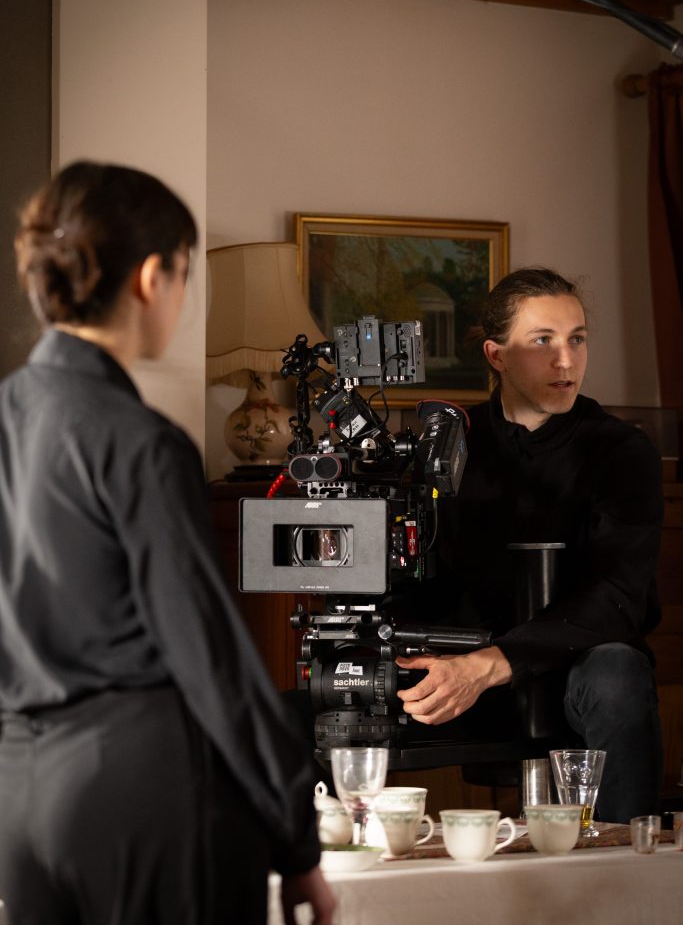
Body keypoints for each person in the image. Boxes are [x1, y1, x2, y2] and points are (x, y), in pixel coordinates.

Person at [0, 161, 335, 925]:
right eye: (187, 275)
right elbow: (210, 656)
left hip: (19, 796)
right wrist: (297, 839)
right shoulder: (140, 441)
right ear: (153, 276)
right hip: (139, 790)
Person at [396, 267, 664, 823]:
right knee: (297, 710)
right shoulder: (444, 448)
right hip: (461, 670)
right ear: (496, 356)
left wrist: (489, 665)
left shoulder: (622, 450)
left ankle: (624, 864)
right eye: (543, 341)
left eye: (577, 339)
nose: (567, 361)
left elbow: (619, 597)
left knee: (617, 672)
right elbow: (413, 576)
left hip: (577, 673)